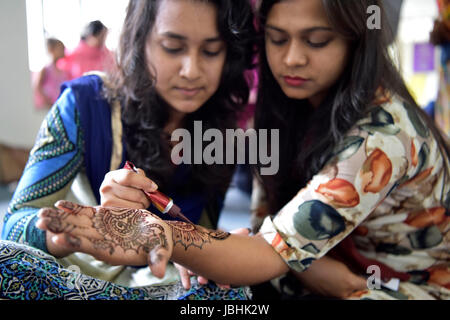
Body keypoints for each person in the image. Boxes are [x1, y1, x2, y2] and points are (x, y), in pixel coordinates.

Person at [33, 0, 450, 301]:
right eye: (277, 39)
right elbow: (260, 228)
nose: (292, 59)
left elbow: (254, 248)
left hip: (387, 283)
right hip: (301, 267)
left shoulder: (378, 136)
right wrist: (58, 239)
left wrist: (159, 233)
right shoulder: (83, 105)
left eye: (317, 41)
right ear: (139, 41)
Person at [0, 0, 255, 300]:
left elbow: (201, 233)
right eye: (173, 47)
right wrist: (71, 235)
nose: (191, 70)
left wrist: (211, 250)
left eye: (212, 51)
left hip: (162, 281)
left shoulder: (222, 134)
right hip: (75, 272)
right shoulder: (84, 105)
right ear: (140, 41)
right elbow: (12, 228)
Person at [33, 38, 70, 110]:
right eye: (61, 48)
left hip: (59, 106)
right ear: (51, 50)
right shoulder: (45, 69)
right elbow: (37, 87)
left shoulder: (63, 71)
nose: (64, 51)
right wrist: (47, 101)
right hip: (49, 107)